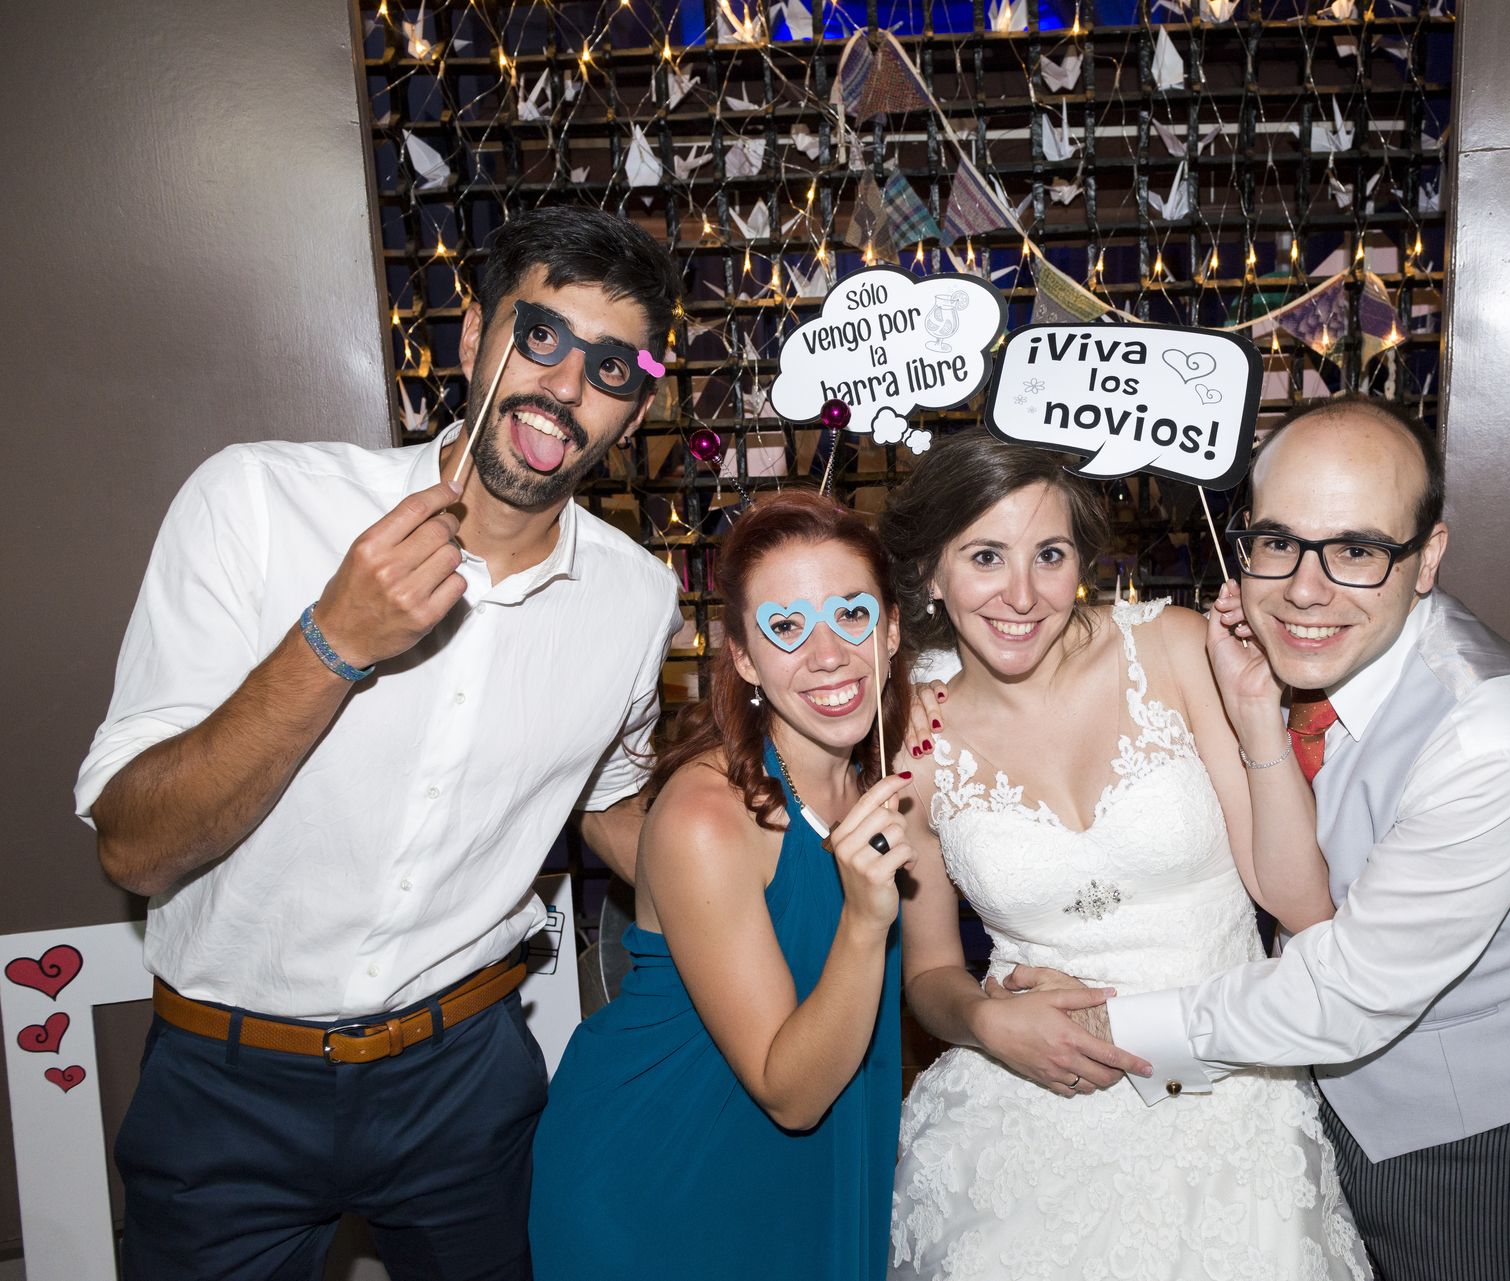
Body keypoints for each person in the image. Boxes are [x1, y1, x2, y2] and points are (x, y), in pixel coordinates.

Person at [75, 206, 683, 1281]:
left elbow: (609, 804)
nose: (564, 385)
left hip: (466, 1083)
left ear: (634, 410)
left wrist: (797, 878)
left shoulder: (637, 598)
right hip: (227, 1083)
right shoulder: (259, 501)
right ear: (473, 336)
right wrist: (334, 641)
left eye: (610, 366)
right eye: (540, 334)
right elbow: (135, 848)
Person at [1103, 396, 1510, 1280]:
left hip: (1480, 1144)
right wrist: (1256, 716)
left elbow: (1350, 992)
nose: (1305, 590)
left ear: (1427, 558)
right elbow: (1298, 900)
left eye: (1356, 551)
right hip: (1305, 1099)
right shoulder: (1281, 661)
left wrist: (1113, 1030)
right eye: (1278, 542)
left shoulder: (1492, 738)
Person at [880, 432, 1371, 1280]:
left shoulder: (1172, 649)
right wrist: (988, 1023)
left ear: (1082, 561)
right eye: (986, 556)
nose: (1022, 594)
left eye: (1050, 554)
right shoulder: (915, 739)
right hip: (1028, 1107)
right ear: (931, 573)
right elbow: (928, 974)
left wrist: (1259, 718)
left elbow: (1301, 906)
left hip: (1227, 1088)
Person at [529, 491, 915, 1279]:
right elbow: (790, 1093)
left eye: (852, 613)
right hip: (662, 1185)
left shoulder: (871, 779)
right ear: (741, 657)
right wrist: (866, 921)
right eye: (785, 626)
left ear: (892, 630)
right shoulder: (706, 817)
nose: (828, 653)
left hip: (803, 1173)